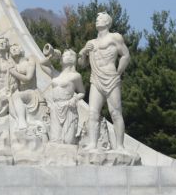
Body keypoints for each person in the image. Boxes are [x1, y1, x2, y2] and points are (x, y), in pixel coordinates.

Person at [79, 12, 131, 151]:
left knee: (115, 113)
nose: (97, 20)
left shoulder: (114, 37)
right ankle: (93, 144)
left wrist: (118, 72)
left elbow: (126, 55)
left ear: (108, 22)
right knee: (92, 113)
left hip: (111, 77)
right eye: (96, 19)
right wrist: (83, 52)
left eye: (100, 18)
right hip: (96, 79)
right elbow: (82, 64)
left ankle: (120, 146)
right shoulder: (91, 43)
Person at [39, 45, 85, 145]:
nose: (63, 56)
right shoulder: (55, 73)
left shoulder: (75, 76)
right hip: (55, 108)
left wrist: (75, 98)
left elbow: (82, 92)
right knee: (55, 140)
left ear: (72, 59)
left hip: (69, 108)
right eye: (63, 55)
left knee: (68, 141)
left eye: (66, 55)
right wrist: (51, 56)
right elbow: (42, 64)